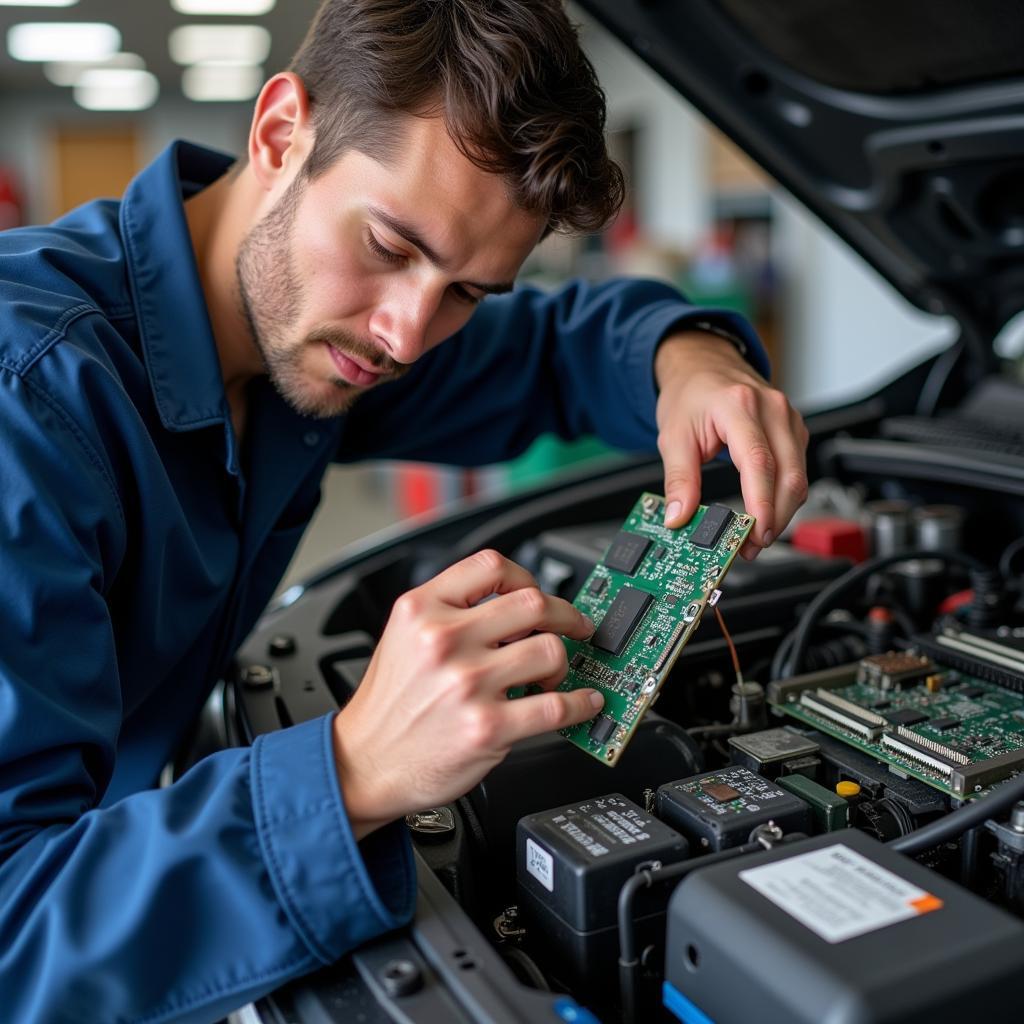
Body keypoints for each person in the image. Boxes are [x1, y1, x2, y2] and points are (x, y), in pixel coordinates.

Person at [0, 1, 808, 1020]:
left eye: (468, 291)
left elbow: (554, 347)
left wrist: (686, 355)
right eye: (389, 244)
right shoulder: (26, 407)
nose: (405, 336)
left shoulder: (309, 320)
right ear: (281, 131)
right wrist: (352, 768)